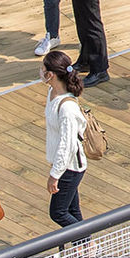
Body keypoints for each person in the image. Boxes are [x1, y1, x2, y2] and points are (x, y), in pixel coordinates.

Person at [42, 49, 89, 227]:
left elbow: (67, 146)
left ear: (50, 74)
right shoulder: (51, 93)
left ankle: (85, 243)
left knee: (59, 212)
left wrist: (54, 175)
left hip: (70, 167)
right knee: (72, 209)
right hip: (60, 164)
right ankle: (85, 247)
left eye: (42, 69)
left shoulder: (67, 109)